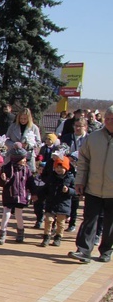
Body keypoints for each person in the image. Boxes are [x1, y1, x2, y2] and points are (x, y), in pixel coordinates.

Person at [68, 106, 113, 263]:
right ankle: (83, 250)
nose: (108, 121)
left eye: (112, 119)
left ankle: (106, 251)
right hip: (93, 187)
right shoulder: (93, 138)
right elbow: (83, 161)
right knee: (89, 219)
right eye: (107, 118)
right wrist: (80, 181)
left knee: (110, 223)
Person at [0, 147, 35, 245]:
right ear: (17, 159)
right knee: (6, 214)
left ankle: (21, 232)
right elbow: (1, 183)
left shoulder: (26, 170)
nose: (25, 160)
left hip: (21, 196)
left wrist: (34, 193)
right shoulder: (7, 168)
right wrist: (3, 179)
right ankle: (2, 233)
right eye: (23, 158)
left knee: (18, 214)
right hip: (9, 195)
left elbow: (30, 182)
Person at [39, 156, 75, 247]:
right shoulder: (51, 177)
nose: (59, 169)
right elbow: (45, 189)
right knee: (48, 220)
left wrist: (68, 190)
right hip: (51, 202)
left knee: (61, 222)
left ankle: (58, 237)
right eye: (57, 167)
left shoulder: (70, 178)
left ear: (66, 168)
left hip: (63, 204)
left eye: (61, 167)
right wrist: (39, 196)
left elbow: (75, 191)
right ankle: (46, 237)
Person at [5, 107, 42, 172]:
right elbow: (6, 139)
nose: (23, 120)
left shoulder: (34, 128)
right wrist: (15, 144)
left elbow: (38, 142)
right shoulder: (12, 126)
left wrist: (28, 145)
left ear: (29, 118)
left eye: (25, 119)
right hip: (13, 155)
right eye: (21, 118)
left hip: (27, 156)